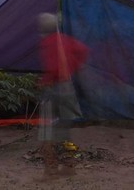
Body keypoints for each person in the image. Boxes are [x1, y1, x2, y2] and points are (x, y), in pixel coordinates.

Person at [37, 12, 89, 179]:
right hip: (68, 87)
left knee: (46, 131)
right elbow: (83, 50)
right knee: (65, 130)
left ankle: (50, 170)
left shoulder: (47, 43)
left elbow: (53, 67)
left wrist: (45, 81)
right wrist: (74, 66)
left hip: (54, 89)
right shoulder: (65, 40)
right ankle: (69, 166)